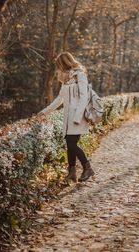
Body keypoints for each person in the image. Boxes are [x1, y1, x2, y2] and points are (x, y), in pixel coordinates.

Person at [38, 52, 95, 183]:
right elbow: (59, 99)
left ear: (65, 63)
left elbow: (84, 97)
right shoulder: (66, 80)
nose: (58, 68)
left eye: (59, 65)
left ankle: (87, 168)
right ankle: (72, 173)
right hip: (68, 119)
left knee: (71, 143)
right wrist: (43, 112)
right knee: (70, 144)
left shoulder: (80, 76)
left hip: (78, 117)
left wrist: (77, 116)